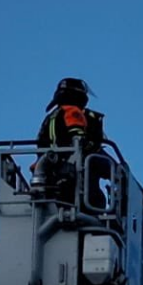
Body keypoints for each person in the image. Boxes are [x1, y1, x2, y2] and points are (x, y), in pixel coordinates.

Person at [32, 78, 110, 207]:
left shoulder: (52, 117)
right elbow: (78, 141)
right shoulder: (73, 112)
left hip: (50, 175)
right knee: (97, 200)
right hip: (69, 175)